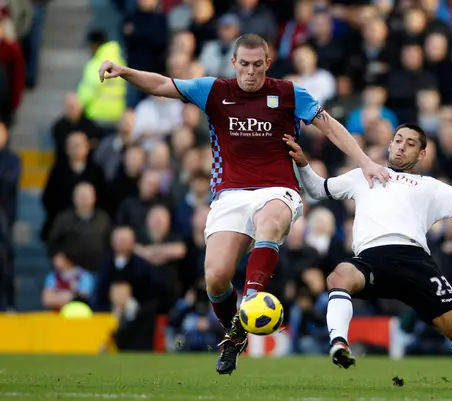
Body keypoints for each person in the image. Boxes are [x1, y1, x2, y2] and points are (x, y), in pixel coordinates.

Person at [97, 33, 389, 375]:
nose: (251, 72)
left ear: (268, 63)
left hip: (278, 188)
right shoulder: (214, 90)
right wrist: (124, 70)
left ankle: (251, 300)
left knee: (270, 222)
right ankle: (235, 338)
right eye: (244, 65)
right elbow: (163, 84)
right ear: (234, 63)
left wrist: (365, 161)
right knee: (216, 279)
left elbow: (330, 127)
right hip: (230, 194)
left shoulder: (290, 93)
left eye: (257, 65)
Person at [284, 125, 452, 390]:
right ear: (389, 145)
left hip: (414, 260)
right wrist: (303, 164)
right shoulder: (363, 175)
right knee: (339, 275)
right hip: (372, 257)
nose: (401, 146)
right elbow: (317, 189)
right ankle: (338, 342)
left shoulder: (428, 186)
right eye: (397, 140)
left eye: (409, 143)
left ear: (422, 153)